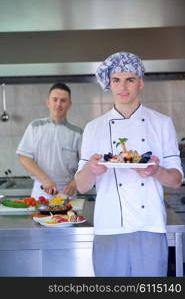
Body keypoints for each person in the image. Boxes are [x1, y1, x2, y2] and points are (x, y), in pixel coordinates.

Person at [75, 52, 183, 277]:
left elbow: (176, 180)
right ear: (108, 83)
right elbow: (82, 186)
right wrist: (91, 170)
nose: (123, 87)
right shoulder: (94, 128)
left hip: (150, 228)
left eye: (130, 79)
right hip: (109, 228)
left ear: (140, 82)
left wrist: (157, 170)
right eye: (116, 80)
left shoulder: (162, 124)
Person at [16, 82, 82, 200]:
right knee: (38, 219)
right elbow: (24, 157)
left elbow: (85, 164)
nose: (58, 104)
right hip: (41, 191)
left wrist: (75, 182)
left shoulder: (78, 133)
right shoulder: (35, 126)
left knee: (68, 219)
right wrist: (45, 179)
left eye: (63, 100)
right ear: (48, 102)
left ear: (70, 104)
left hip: (68, 192)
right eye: (55, 99)